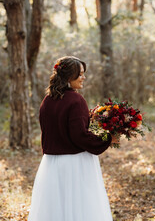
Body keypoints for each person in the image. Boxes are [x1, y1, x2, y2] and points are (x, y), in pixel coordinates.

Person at [28, 56, 119, 221]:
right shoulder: (76, 100)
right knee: (80, 208)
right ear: (69, 76)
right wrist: (107, 139)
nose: (84, 77)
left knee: (56, 210)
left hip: (51, 164)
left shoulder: (47, 101)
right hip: (75, 164)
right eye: (80, 74)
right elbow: (80, 136)